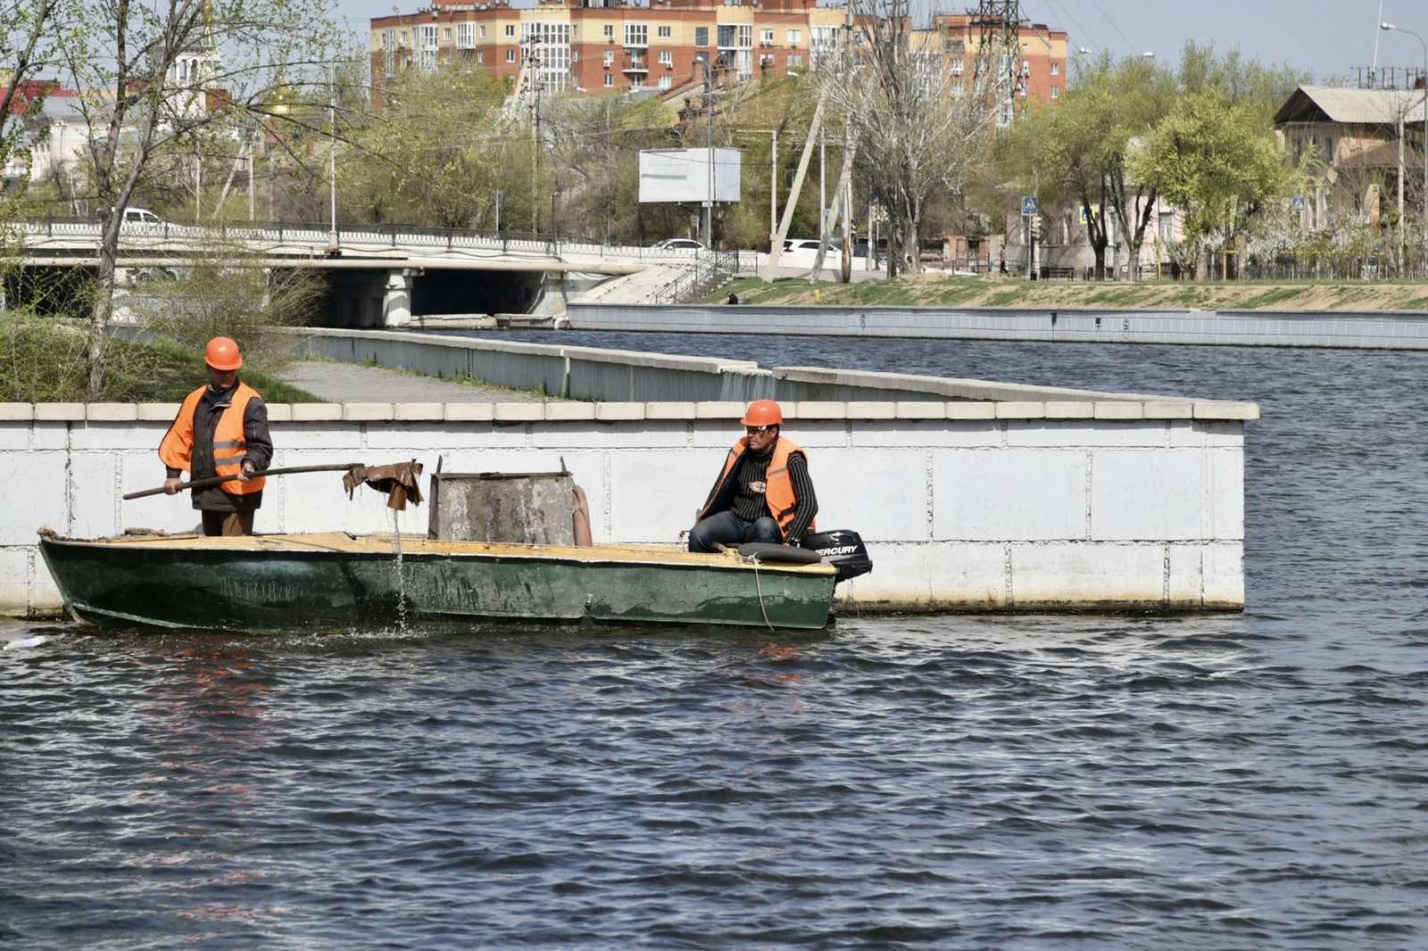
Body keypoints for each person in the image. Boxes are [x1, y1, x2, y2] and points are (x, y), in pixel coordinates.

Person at [158, 336, 273, 536]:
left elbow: (261, 447)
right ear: (208, 367)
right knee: (212, 554)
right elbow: (179, 438)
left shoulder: (250, 402)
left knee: (232, 556)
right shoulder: (195, 400)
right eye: (221, 371)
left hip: (239, 493)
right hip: (207, 489)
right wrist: (173, 476)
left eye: (231, 371)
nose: (227, 376)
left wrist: (251, 464)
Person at [688, 398, 817, 553]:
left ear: (773, 431)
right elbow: (719, 489)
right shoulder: (740, 451)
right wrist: (704, 518)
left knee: (765, 527)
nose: (751, 435)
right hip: (736, 520)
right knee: (698, 534)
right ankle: (707, 577)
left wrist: (791, 540)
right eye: (749, 429)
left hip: (768, 528)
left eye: (757, 430)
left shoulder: (792, 458)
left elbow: (809, 504)